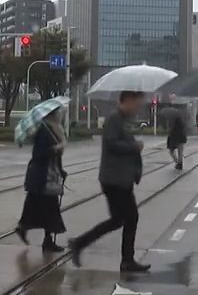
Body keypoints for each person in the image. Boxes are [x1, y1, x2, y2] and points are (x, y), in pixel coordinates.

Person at [70, 91, 150, 273]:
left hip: (119, 179)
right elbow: (112, 144)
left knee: (117, 220)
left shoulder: (123, 120)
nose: (137, 107)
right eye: (136, 103)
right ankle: (127, 261)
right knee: (130, 217)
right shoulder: (114, 119)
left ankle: (79, 243)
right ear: (127, 100)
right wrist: (134, 146)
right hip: (115, 179)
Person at [16, 108, 67, 253]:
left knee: (36, 205)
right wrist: (55, 148)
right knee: (49, 207)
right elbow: (39, 153)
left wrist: (61, 169)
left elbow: (56, 156)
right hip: (41, 176)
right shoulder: (44, 131)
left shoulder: (55, 130)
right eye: (59, 113)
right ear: (52, 115)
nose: (61, 116)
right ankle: (46, 240)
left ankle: (25, 229)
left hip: (47, 175)